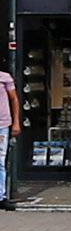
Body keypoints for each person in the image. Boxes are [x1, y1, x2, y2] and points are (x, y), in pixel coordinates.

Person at [0, 53, 19, 210]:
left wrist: (16, 123)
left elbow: (14, 99)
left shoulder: (4, 77)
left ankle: (1, 196)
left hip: (2, 124)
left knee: (0, 161)